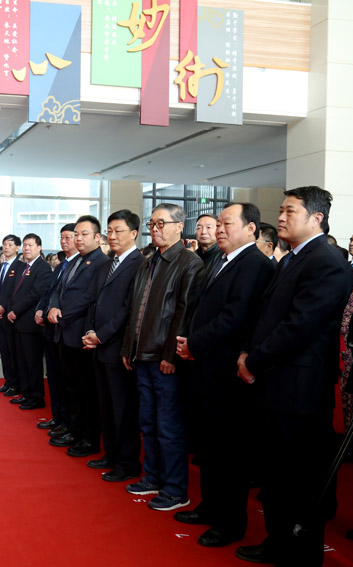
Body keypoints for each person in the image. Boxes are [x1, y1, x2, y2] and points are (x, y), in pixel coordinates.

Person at [235, 187, 353, 567]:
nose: (281, 217)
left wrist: (254, 361)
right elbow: (267, 317)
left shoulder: (327, 261)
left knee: (298, 479)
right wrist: (248, 353)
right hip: (275, 384)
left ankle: (300, 555)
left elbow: (299, 326)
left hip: (298, 390)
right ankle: (278, 542)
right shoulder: (294, 258)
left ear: (316, 218)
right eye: (281, 210)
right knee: (276, 475)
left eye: (290, 211)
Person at [174, 203, 274, 548]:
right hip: (207, 366)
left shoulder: (255, 264)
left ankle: (229, 523)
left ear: (251, 228)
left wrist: (194, 343)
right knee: (210, 447)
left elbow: (235, 318)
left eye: (226, 223)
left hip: (229, 371)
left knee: (229, 452)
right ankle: (210, 506)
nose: (218, 229)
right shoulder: (221, 259)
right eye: (218, 223)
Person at [121, 203, 204, 512]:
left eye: (161, 224)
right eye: (152, 224)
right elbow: (136, 310)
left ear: (179, 226)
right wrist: (128, 348)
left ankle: (175, 489)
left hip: (164, 358)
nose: (155, 229)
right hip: (142, 354)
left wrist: (171, 355)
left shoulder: (189, 262)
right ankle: (153, 477)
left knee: (168, 425)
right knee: (148, 422)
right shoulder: (149, 262)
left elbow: (184, 313)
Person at [82, 210, 144, 482]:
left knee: (123, 408)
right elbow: (93, 301)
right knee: (105, 404)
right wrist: (90, 332)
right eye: (110, 231)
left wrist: (102, 335)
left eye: (119, 230)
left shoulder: (140, 264)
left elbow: (129, 308)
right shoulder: (107, 264)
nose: (113, 236)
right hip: (99, 345)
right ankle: (111, 453)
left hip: (118, 347)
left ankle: (127, 462)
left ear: (134, 233)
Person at [47, 216, 109, 456]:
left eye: (84, 234)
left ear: (97, 237)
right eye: (77, 234)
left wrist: (62, 314)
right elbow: (58, 290)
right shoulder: (74, 261)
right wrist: (53, 306)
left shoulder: (101, 262)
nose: (79, 239)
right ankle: (74, 431)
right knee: (71, 387)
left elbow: (89, 297)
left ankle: (88, 439)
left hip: (80, 333)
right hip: (64, 333)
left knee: (86, 390)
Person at [36, 224, 76, 440]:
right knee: (53, 376)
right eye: (62, 237)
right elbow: (49, 292)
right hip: (51, 328)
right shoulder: (62, 266)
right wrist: (41, 309)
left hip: (66, 328)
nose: (64, 241)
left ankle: (67, 422)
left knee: (66, 379)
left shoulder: (79, 264)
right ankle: (58, 417)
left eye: (69, 237)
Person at [6, 233, 52, 410]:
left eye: (30, 245)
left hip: (31, 323)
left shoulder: (43, 268)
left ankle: (36, 397)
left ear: (39, 248)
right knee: (22, 361)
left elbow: (35, 294)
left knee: (32, 362)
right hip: (19, 322)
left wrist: (15, 310)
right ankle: (26, 393)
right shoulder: (24, 267)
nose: (26, 248)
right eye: (25, 245)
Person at [0, 235, 23, 396]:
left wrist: (4, 307)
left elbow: (16, 292)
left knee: (12, 351)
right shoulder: (0, 267)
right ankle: (8, 381)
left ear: (17, 248)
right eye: (4, 244)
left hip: (9, 315)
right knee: (3, 350)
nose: (6, 247)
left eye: (10, 244)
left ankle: (16, 383)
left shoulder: (20, 267)